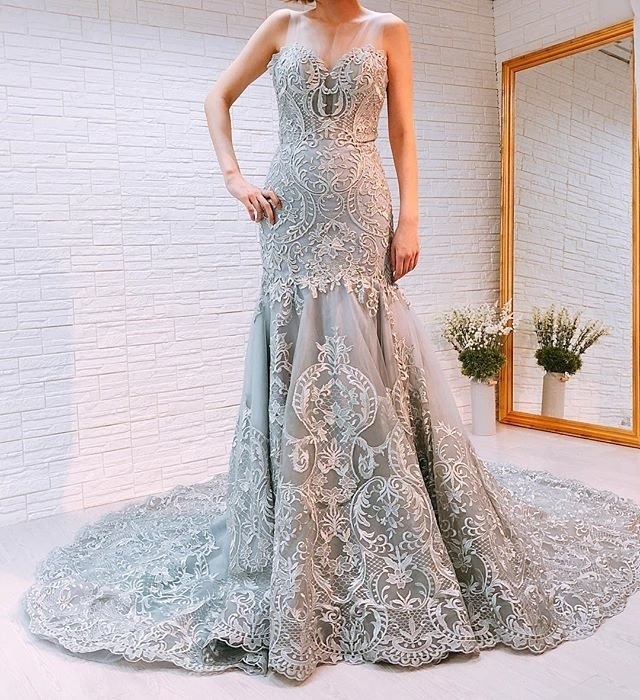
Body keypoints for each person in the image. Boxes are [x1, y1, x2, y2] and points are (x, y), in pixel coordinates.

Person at [21, 0, 640, 684]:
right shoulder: (281, 25)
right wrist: (233, 177)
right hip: (288, 212)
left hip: (360, 205)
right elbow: (217, 96)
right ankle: (300, 527)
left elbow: (401, 130)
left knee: (365, 353)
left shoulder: (388, 30)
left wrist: (411, 218)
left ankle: (380, 518)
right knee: (298, 346)